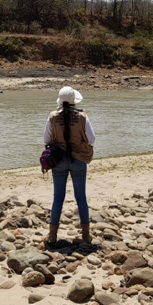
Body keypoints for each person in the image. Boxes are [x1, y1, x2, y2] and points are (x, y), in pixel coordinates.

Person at [44, 86, 96, 245]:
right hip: (79, 159)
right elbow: (92, 139)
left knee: (58, 198)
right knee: (81, 197)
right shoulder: (82, 116)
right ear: (75, 101)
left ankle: (52, 235)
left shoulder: (52, 116)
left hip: (58, 160)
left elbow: (46, 140)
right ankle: (86, 235)